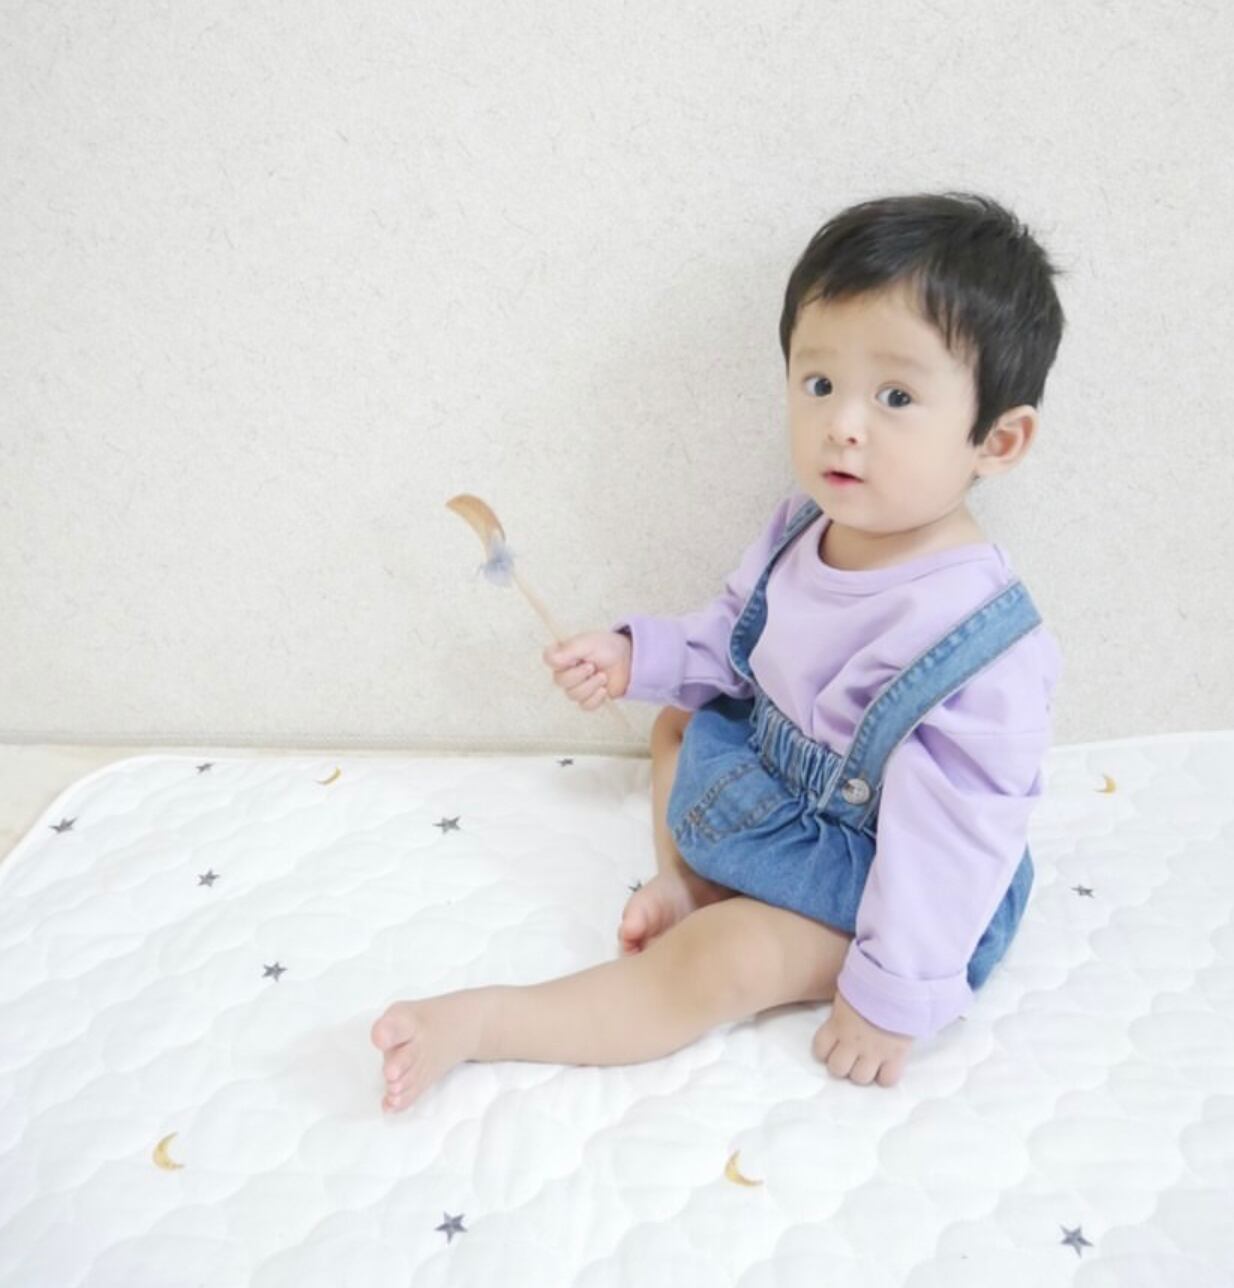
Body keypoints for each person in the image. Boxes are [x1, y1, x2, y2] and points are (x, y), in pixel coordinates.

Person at [372, 190, 1066, 1108]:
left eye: (896, 397)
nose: (843, 423)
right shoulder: (802, 529)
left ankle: (488, 1021)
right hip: (781, 792)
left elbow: (954, 847)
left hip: (887, 881)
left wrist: (889, 998)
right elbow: (734, 638)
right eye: (819, 384)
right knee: (678, 718)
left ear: (998, 439)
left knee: (726, 960)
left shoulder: (977, 646)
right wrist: (633, 655)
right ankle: (689, 881)